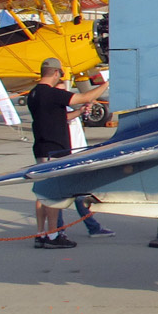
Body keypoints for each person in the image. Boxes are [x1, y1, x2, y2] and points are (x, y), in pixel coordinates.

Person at [25, 58, 111, 248]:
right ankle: (55, 236)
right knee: (54, 196)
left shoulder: (34, 94)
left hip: (41, 148)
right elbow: (86, 97)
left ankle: (41, 233)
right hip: (55, 150)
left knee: (42, 194)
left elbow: (59, 117)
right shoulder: (51, 93)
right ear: (56, 73)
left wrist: (79, 113)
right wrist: (107, 83)